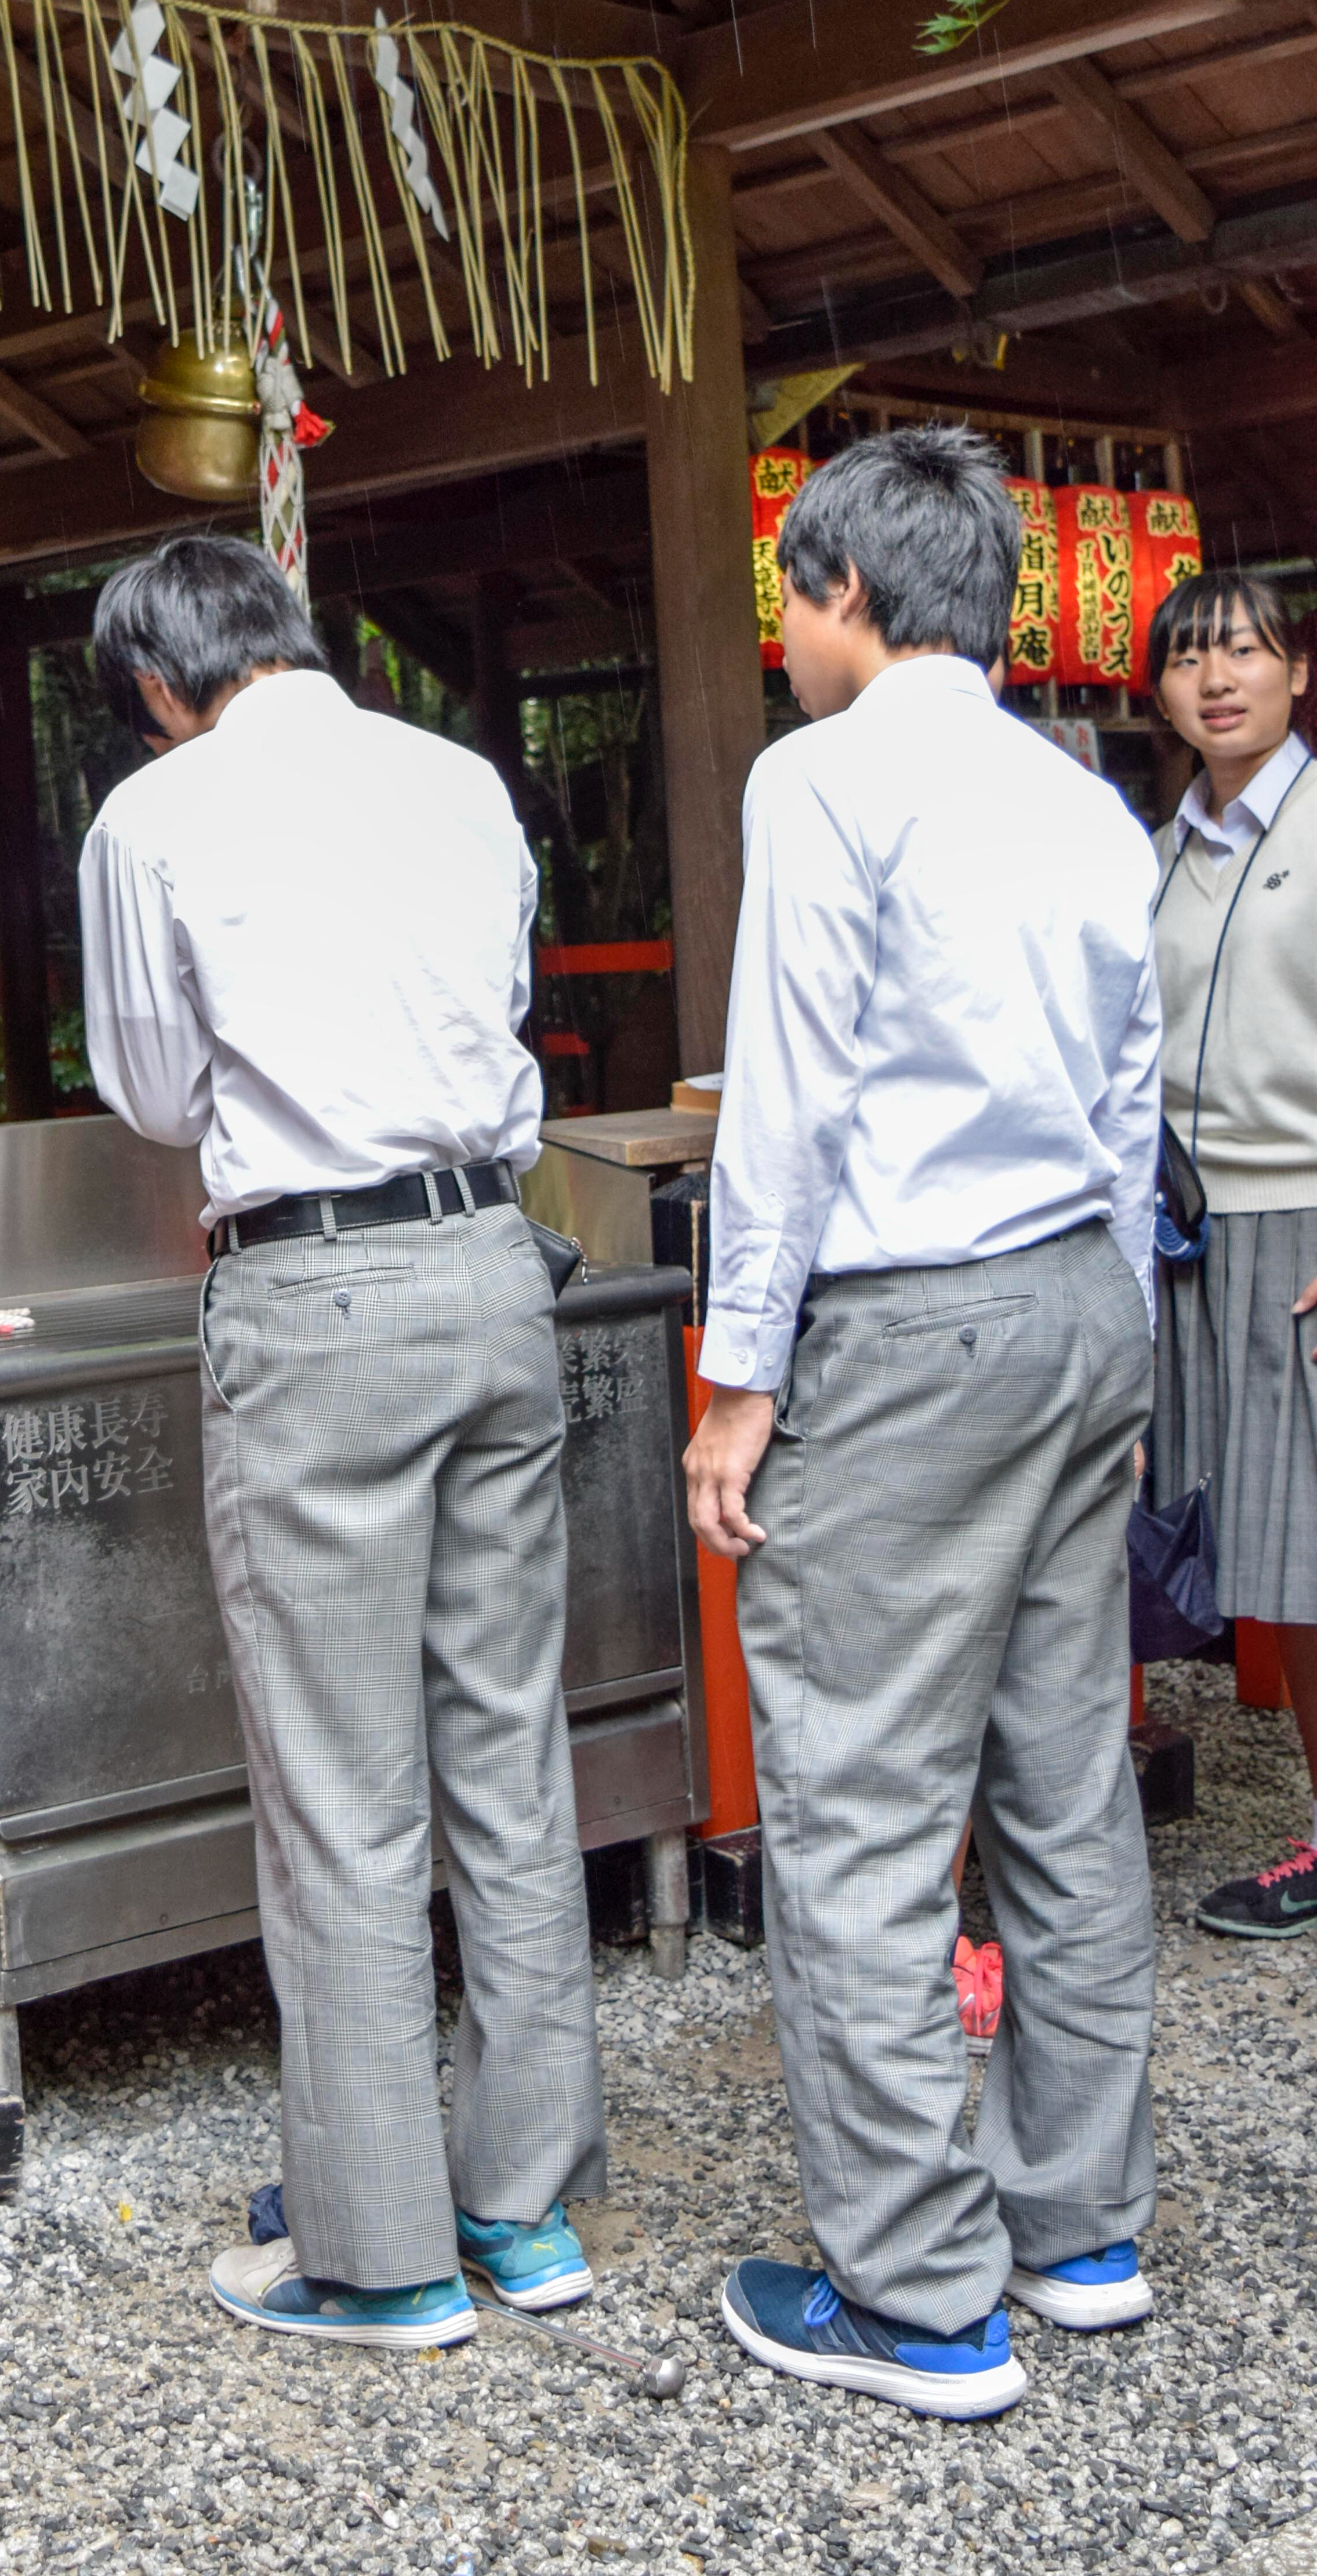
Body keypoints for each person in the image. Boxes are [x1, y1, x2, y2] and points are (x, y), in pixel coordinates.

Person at [76, 531, 603, 2353]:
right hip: (495, 1267)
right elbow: (505, 1011)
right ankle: (520, 2214)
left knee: (340, 1794)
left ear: (158, 684)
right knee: (507, 1756)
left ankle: (380, 2260)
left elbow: (150, 1091)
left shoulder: (157, 818)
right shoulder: (459, 778)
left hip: (317, 1299)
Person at [687, 425, 1163, 2422]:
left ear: (853, 598)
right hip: (1079, 1299)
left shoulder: (823, 777)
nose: (783, 639)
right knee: (1066, 1778)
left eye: (791, 599)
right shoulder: (1091, 803)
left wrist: (737, 1381)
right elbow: (1136, 1088)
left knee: (865, 1807)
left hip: (908, 1324)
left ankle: (913, 2297)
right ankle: (1081, 2234)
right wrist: (1120, 1327)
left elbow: (783, 1090)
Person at [1144, 570, 1317, 1935]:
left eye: (1244, 652)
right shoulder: (1157, 855)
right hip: (1191, 1238)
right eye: (1190, 657)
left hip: (1306, 1225)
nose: (1218, 679)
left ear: (1294, 674)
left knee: (1308, 1555)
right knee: (1262, 1561)